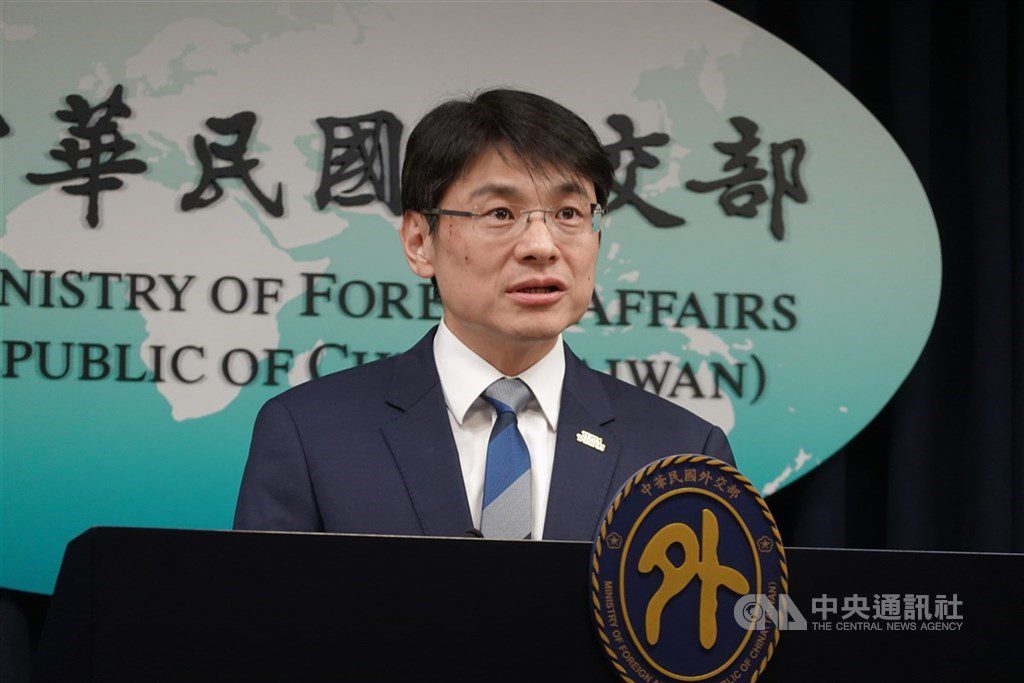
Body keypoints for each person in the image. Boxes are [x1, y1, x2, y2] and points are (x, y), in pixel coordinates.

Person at [234, 89, 734, 541]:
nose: (541, 246)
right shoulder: (311, 434)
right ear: (419, 241)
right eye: (500, 214)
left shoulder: (682, 454)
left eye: (568, 214)